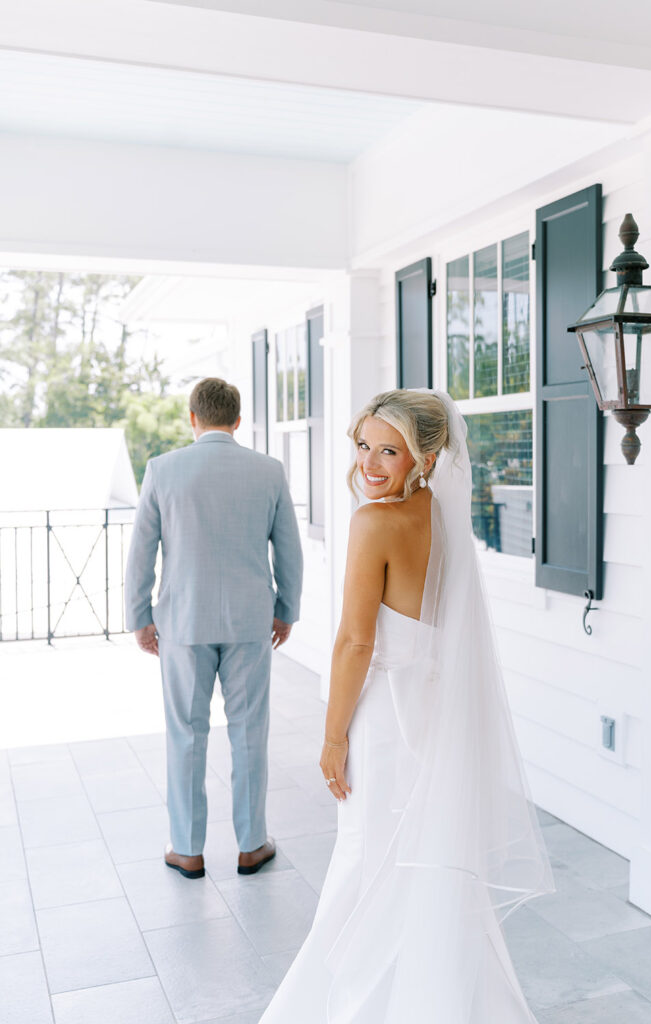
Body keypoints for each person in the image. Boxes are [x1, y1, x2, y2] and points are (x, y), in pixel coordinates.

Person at [260, 389, 553, 1022]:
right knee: (421, 866)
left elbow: (355, 641)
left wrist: (333, 736)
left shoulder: (375, 522)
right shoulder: (441, 517)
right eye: (363, 445)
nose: (369, 462)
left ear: (426, 454)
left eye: (388, 450)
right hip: (432, 711)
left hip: (387, 722)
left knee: (368, 859)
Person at [125, 377, 303, 879]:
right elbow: (288, 548)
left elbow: (141, 553)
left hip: (182, 622)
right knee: (249, 733)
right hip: (250, 621)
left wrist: (140, 617)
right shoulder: (268, 471)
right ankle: (251, 845)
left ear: (192, 417)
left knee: (186, 734)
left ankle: (186, 848)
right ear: (238, 420)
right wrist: (286, 609)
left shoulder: (163, 470)